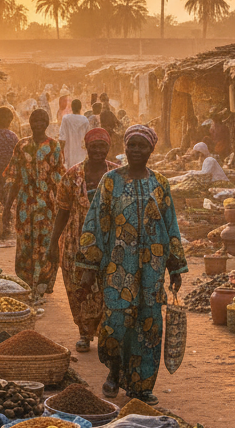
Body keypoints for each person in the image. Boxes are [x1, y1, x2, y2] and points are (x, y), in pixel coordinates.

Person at [77, 124, 187, 404]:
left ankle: (141, 385)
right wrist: (89, 266)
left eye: (142, 145)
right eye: (131, 145)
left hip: (152, 268)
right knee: (116, 323)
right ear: (124, 147)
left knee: (149, 325)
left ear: (152, 148)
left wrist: (175, 266)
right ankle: (114, 372)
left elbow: (170, 223)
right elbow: (96, 223)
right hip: (117, 267)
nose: (136, 150)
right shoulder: (110, 181)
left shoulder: (160, 183)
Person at [47, 128, 119, 352]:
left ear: (108, 147)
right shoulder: (72, 176)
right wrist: (52, 243)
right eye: (93, 146)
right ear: (86, 147)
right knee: (80, 289)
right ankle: (84, 333)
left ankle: (108, 335)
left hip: (110, 243)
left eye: (102, 145)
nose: (98, 150)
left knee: (109, 288)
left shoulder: (118, 175)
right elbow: (63, 211)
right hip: (75, 243)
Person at [1, 109, 64, 301]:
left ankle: (42, 285)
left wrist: (63, 208)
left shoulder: (54, 146)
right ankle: (26, 284)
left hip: (47, 205)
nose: (38, 124)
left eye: (42, 120)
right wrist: (7, 208)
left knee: (45, 244)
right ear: (30, 123)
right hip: (25, 205)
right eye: (34, 120)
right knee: (26, 244)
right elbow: (14, 178)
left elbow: (59, 180)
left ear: (47, 123)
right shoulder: (21, 146)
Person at [58, 98, 92, 169]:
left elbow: (62, 139)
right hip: (82, 154)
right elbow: (89, 139)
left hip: (69, 154)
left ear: (71, 107)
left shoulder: (66, 119)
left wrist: (60, 154)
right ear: (80, 108)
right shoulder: (85, 120)